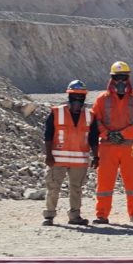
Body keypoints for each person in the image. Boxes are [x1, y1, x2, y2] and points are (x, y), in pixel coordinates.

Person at [91, 61, 133, 224]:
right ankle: (102, 215)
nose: (120, 81)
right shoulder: (102, 100)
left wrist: (122, 135)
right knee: (104, 182)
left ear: (128, 79)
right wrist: (107, 134)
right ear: (112, 79)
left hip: (130, 146)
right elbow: (96, 121)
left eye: (123, 77)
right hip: (108, 147)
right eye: (117, 77)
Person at [42, 79, 98, 226]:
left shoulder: (90, 115)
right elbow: (48, 135)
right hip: (57, 159)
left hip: (79, 161)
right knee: (53, 187)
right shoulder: (57, 112)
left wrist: (96, 156)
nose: (77, 100)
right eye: (74, 96)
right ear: (69, 96)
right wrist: (48, 155)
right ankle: (49, 215)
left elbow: (93, 138)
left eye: (81, 96)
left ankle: (75, 216)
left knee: (76, 189)